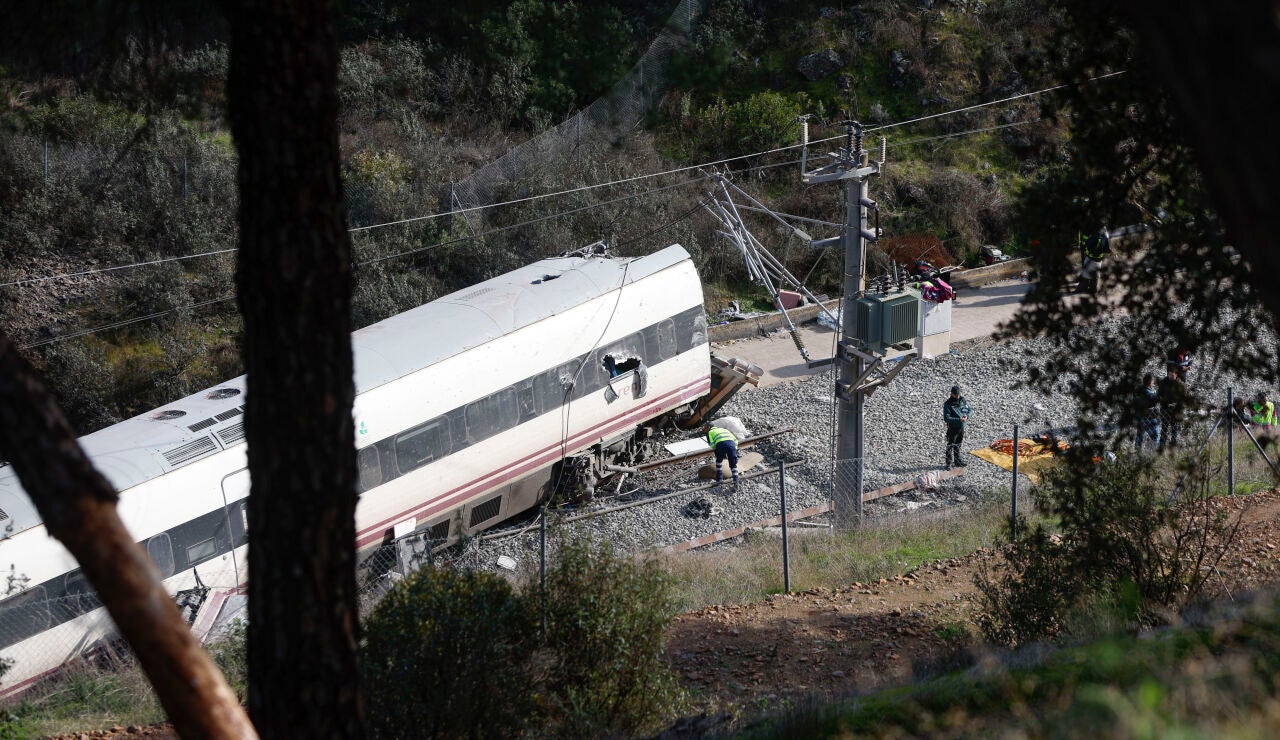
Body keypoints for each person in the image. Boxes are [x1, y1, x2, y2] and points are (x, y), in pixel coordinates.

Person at [1157, 368, 1189, 451]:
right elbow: (1159, 394)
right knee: (1164, 428)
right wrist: (1163, 401)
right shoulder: (1164, 382)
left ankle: (1173, 447)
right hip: (1165, 409)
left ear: (1176, 375)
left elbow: (1184, 397)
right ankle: (1161, 447)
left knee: (1174, 429)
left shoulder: (1181, 384)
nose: (1170, 376)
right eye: (1169, 374)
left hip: (1176, 410)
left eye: (1172, 375)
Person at [942, 385, 972, 469]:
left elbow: (969, 410)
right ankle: (948, 463)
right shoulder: (947, 404)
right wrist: (959, 419)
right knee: (950, 445)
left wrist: (967, 416)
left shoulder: (962, 400)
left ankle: (957, 461)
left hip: (961, 427)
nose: (958, 396)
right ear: (952, 394)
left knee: (958, 444)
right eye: (956, 394)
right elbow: (946, 418)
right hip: (953, 428)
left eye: (958, 394)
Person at [1076, 226, 1110, 295]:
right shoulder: (1105, 235)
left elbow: (1088, 245)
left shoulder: (1096, 236)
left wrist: (1085, 246)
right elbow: (1107, 249)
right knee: (1095, 274)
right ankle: (1093, 289)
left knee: (1086, 272)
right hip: (1099, 259)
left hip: (1091, 257)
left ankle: (1082, 288)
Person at [704, 422, 740, 487]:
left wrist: (718, 453)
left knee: (719, 461)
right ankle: (736, 480)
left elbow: (712, 445)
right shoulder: (724, 430)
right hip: (732, 445)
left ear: (709, 427)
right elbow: (736, 440)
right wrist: (734, 448)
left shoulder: (710, 432)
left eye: (705, 428)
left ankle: (719, 479)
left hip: (721, 445)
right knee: (733, 464)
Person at [1134, 373, 1161, 451]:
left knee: (1140, 434)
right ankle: (1150, 453)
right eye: (1153, 382)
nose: (1153, 383)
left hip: (1139, 416)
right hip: (1150, 418)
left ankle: (1137, 451)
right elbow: (1157, 401)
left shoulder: (1136, 391)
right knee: (1155, 436)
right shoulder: (1150, 394)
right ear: (1150, 382)